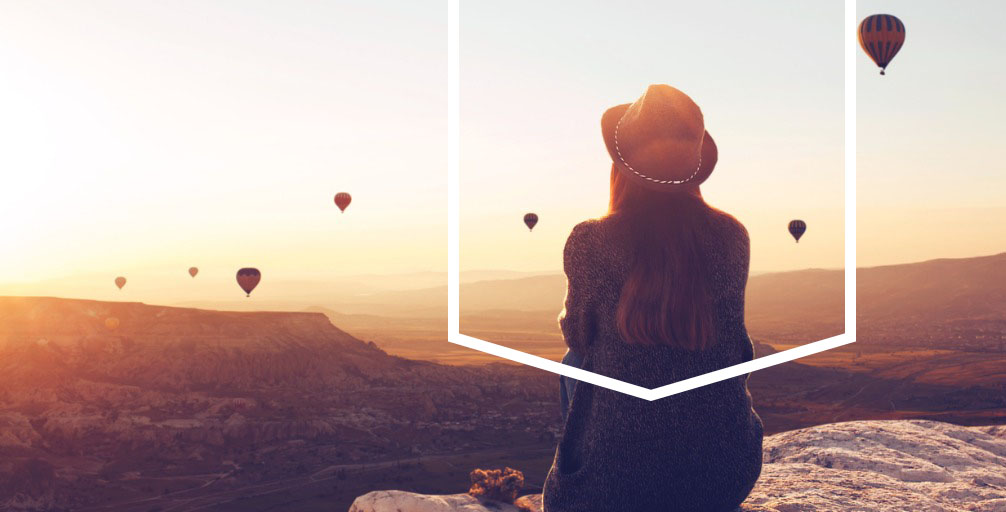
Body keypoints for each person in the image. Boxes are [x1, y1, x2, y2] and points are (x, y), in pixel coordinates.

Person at [544, 85, 763, 512]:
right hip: (721, 480)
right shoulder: (731, 236)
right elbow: (735, 344)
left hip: (606, 496)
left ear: (621, 166)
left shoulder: (591, 239)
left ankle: (599, 458)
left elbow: (579, 336)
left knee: (574, 362)